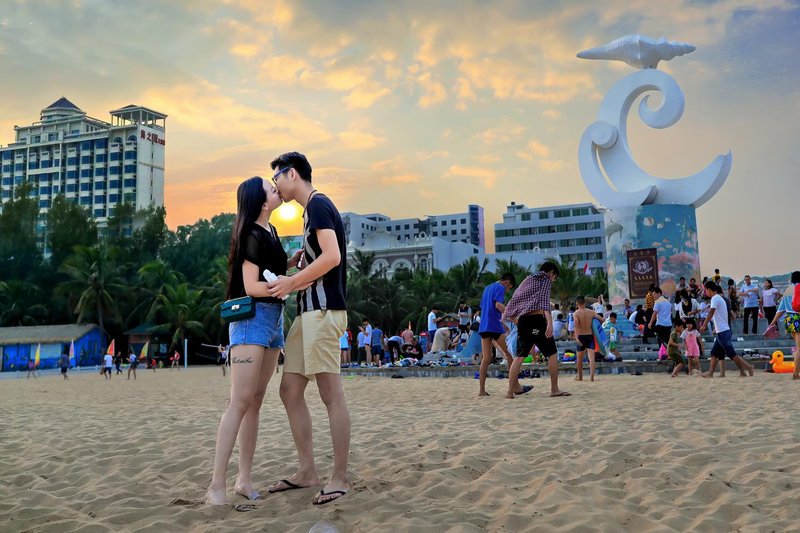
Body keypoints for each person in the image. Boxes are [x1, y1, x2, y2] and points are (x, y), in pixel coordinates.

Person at [265, 151, 351, 505]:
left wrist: (292, 281)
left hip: (323, 311)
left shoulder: (318, 205)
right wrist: (301, 266)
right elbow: (322, 258)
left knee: (331, 394)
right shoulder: (309, 212)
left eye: (277, 179)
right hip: (307, 313)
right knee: (289, 390)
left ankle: (340, 477)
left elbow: (333, 257)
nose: (276, 187)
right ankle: (307, 471)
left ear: (292, 174)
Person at [205, 175, 292, 505]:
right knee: (240, 401)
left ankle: (243, 480)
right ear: (261, 201)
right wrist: (289, 283)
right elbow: (252, 286)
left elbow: (269, 270)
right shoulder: (251, 234)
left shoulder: (271, 231)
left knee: (255, 400)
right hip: (251, 321)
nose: (276, 188)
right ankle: (216, 486)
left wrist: (291, 266)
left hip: (274, 320)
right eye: (271, 188)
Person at [502, 261, 570, 398]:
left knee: (519, 356)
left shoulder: (528, 279)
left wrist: (512, 317)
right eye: (554, 277)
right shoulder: (545, 279)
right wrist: (549, 323)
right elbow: (545, 303)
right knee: (552, 353)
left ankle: (510, 391)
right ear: (551, 272)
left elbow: (515, 298)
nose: (553, 280)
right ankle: (554, 389)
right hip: (536, 321)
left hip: (523, 320)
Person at [699, 281, 754, 378]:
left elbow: (711, 312)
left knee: (731, 353)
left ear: (709, 289)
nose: (705, 292)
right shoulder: (719, 298)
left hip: (723, 332)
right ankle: (710, 373)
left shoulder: (715, 298)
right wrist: (715, 328)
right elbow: (719, 316)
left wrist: (704, 325)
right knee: (714, 353)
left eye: (705, 290)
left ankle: (748, 367)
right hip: (721, 331)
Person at [477, 273, 516, 397]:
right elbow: (498, 305)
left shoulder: (487, 288)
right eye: (509, 288)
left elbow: (486, 308)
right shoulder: (499, 287)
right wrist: (512, 317)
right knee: (509, 354)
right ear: (507, 282)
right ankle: (513, 386)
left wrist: (502, 323)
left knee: (486, 359)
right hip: (493, 326)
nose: (507, 290)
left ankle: (481, 390)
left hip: (484, 326)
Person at [766, 270, 800, 380]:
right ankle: (796, 373)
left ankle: (796, 371)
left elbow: (780, 310)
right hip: (798, 317)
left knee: (797, 347)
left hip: (789, 319)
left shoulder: (788, 290)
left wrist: (772, 323)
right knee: (799, 348)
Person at [573, 296, 603, 381]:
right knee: (591, 358)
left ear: (577, 303)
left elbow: (576, 326)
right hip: (590, 336)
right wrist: (596, 329)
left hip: (581, 337)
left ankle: (580, 377)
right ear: (584, 303)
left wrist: (576, 338)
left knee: (579, 359)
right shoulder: (591, 312)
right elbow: (602, 319)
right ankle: (591, 377)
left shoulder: (576, 313)